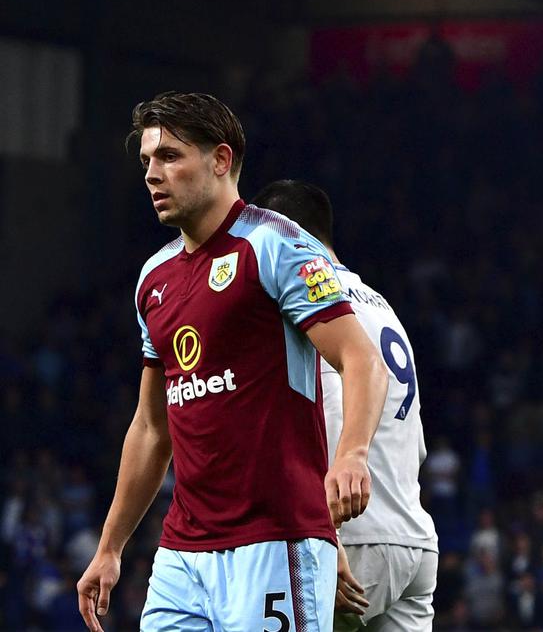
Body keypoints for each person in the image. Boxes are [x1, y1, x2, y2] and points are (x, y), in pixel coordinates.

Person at [75, 92, 388, 632]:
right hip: (181, 552)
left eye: (170, 157)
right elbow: (152, 427)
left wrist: (352, 453)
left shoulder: (276, 245)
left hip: (274, 537)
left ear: (221, 161)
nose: (152, 174)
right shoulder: (154, 277)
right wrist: (110, 547)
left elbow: (362, 359)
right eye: (147, 160)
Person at [252, 179, 439, 631]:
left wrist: (322, 533)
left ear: (281, 235)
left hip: (343, 537)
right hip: (412, 540)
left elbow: (303, 428)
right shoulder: (381, 306)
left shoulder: (302, 304)